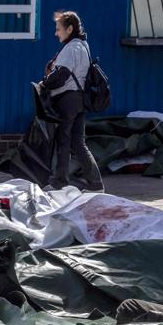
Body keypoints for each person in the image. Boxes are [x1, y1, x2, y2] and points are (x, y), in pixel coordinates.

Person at [40, 10, 103, 191]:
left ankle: (59, 182)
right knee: (78, 142)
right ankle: (96, 184)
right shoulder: (83, 45)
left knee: (64, 140)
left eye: (59, 29)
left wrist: (44, 83)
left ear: (69, 29)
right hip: (79, 99)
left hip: (67, 99)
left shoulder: (72, 48)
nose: (56, 33)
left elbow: (62, 74)